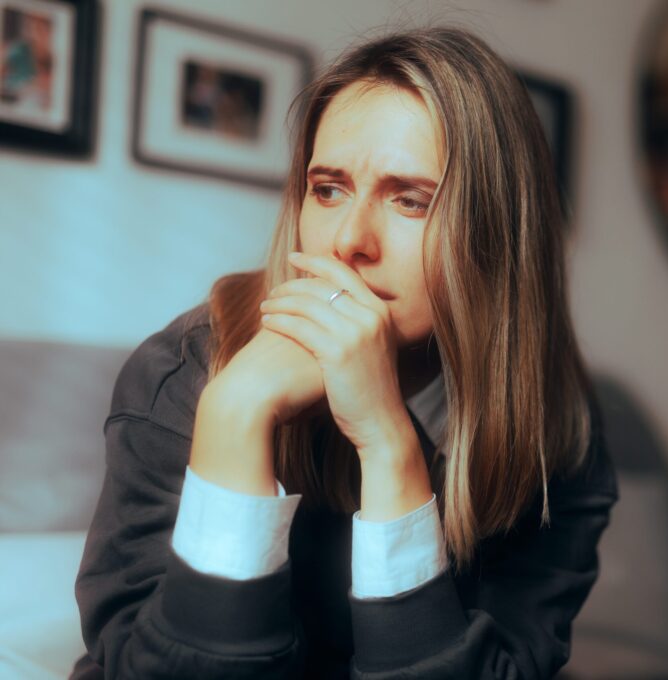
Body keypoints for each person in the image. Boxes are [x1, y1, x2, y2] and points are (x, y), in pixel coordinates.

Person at [72, 27, 618, 680]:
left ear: (497, 236)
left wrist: (389, 444)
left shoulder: (558, 430)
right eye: (328, 190)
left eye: (410, 200)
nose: (350, 241)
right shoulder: (182, 371)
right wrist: (235, 414)